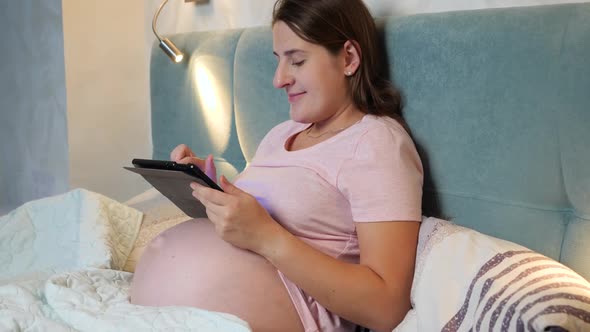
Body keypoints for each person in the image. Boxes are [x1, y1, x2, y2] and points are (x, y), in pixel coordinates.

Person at [130, 0, 424, 331]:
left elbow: (388, 305)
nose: (278, 79)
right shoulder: (280, 134)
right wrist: (212, 188)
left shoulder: (377, 143)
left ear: (349, 58)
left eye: (296, 61)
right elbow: (255, 219)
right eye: (278, 61)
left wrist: (267, 237)